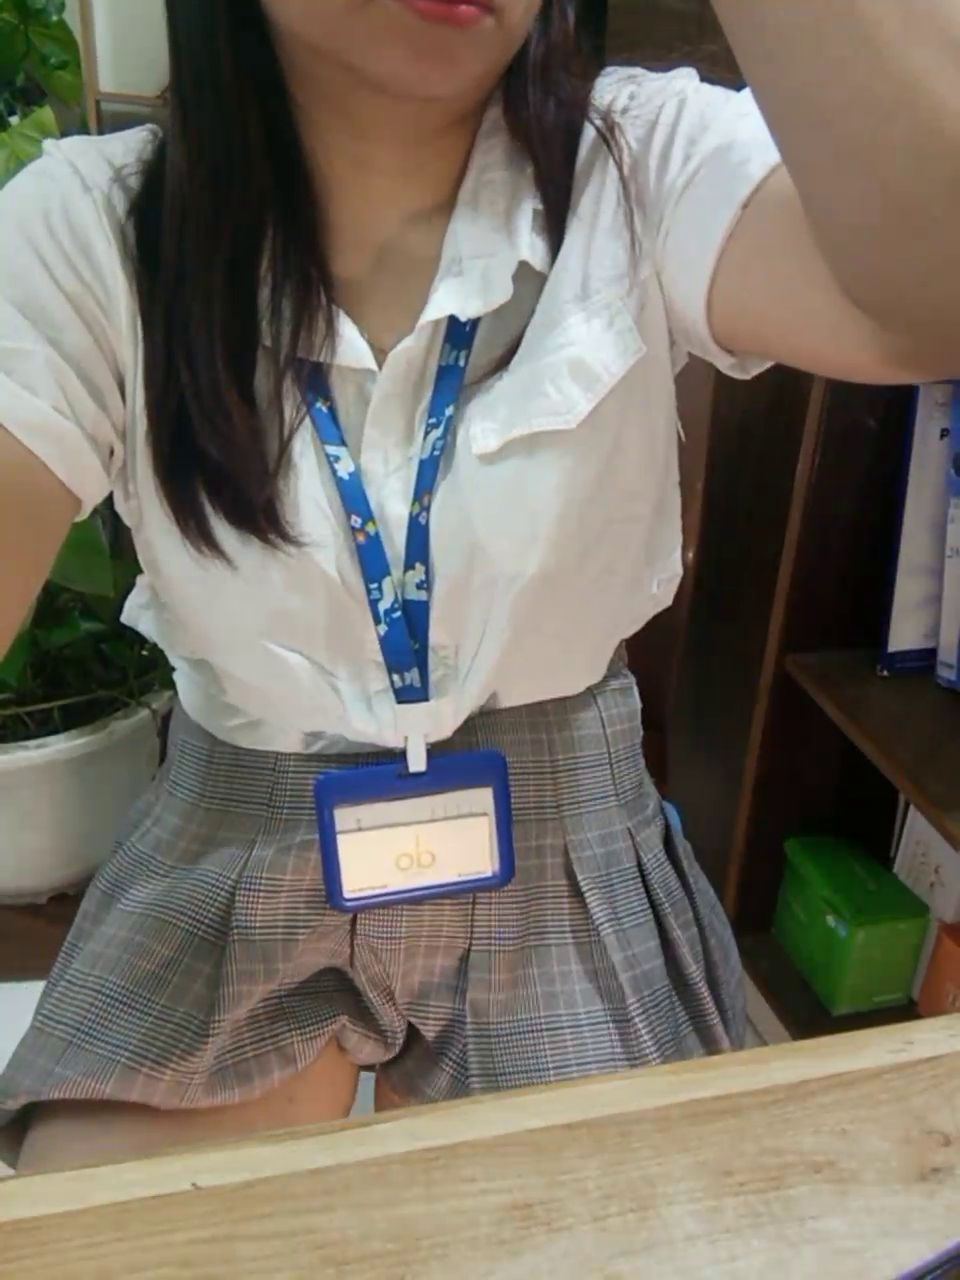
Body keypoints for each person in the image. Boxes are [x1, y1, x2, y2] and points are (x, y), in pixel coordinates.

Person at [0, 0, 957, 1175]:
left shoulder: (645, 163)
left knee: (607, 1235)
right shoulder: (92, 226)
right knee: (127, 1241)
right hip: (238, 838)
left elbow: (935, 291)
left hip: (562, 846)